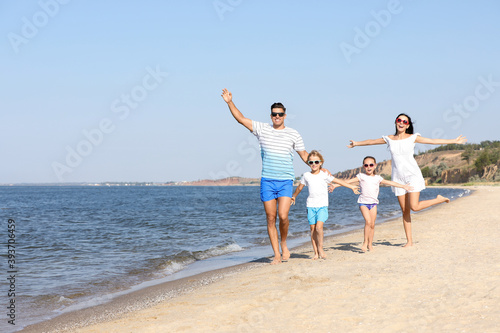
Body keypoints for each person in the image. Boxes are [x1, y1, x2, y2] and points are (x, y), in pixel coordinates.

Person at [221, 88, 313, 264]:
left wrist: (317, 166)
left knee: (283, 216)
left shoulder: (293, 133)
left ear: (285, 115)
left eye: (280, 114)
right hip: (267, 181)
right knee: (271, 218)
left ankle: (284, 243)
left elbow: (303, 155)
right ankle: (277, 254)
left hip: (286, 180)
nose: (277, 117)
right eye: (274, 114)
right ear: (270, 116)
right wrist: (229, 102)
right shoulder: (262, 129)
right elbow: (241, 119)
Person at [347, 113, 467, 247]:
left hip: (412, 175)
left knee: (414, 207)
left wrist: (453, 141)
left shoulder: (413, 137)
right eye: (399, 120)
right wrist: (356, 143)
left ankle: (439, 199)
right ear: (396, 122)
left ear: (408, 125)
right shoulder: (389, 139)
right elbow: (371, 141)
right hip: (398, 178)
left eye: (405, 121)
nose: (402, 123)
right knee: (405, 211)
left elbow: (432, 141)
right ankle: (409, 241)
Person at [291, 150, 359, 260]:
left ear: (321, 162)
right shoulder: (306, 175)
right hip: (310, 205)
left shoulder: (324, 175)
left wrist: (351, 187)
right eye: (311, 162)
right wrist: (294, 196)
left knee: (319, 227)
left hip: (322, 205)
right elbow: (300, 187)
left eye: (316, 162)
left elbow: (339, 181)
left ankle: (321, 248)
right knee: (313, 229)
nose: (313, 164)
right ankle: (316, 253)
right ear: (308, 163)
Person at [337, 156, 413, 252]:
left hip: (373, 204)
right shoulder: (361, 176)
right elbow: (347, 182)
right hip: (363, 203)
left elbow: (389, 182)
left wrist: (403, 186)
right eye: (366, 165)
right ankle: (364, 243)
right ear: (363, 166)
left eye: (371, 165)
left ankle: (370, 244)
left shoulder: (378, 178)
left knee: (372, 225)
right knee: (368, 222)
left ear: (375, 166)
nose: (369, 167)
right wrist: (335, 185)